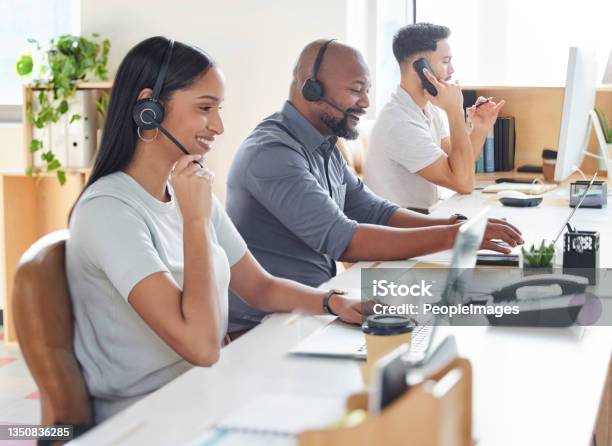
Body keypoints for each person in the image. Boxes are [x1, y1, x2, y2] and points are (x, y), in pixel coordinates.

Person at [66, 37, 362, 423]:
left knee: (344, 401)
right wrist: (194, 221)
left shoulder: (185, 190)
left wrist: (332, 303)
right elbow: (202, 346)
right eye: (205, 108)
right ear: (148, 108)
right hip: (149, 417)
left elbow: (259, 287)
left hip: (209, 391)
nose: (219, 126)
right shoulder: (108, 211)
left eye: (219, 109)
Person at [226, 39, 522, 332]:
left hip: (320, 305)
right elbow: (345, 241)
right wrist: (455, 236)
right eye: (356, 91)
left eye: (367, 91)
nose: (366, 103)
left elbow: (373, 211)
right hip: (267, 325)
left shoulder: (322, 143)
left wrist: (455, 224)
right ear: (310, 87)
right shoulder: (273, 153)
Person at [363, 23, 505, 212]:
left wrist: (480, 128)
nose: (452, 70)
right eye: (445, 61)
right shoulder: (399, 123)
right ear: (420, 68)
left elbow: (456, 164)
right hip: (400, 230)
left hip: (424, 218)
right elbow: (463, 183)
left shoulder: (429, 108)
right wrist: (455, 112)